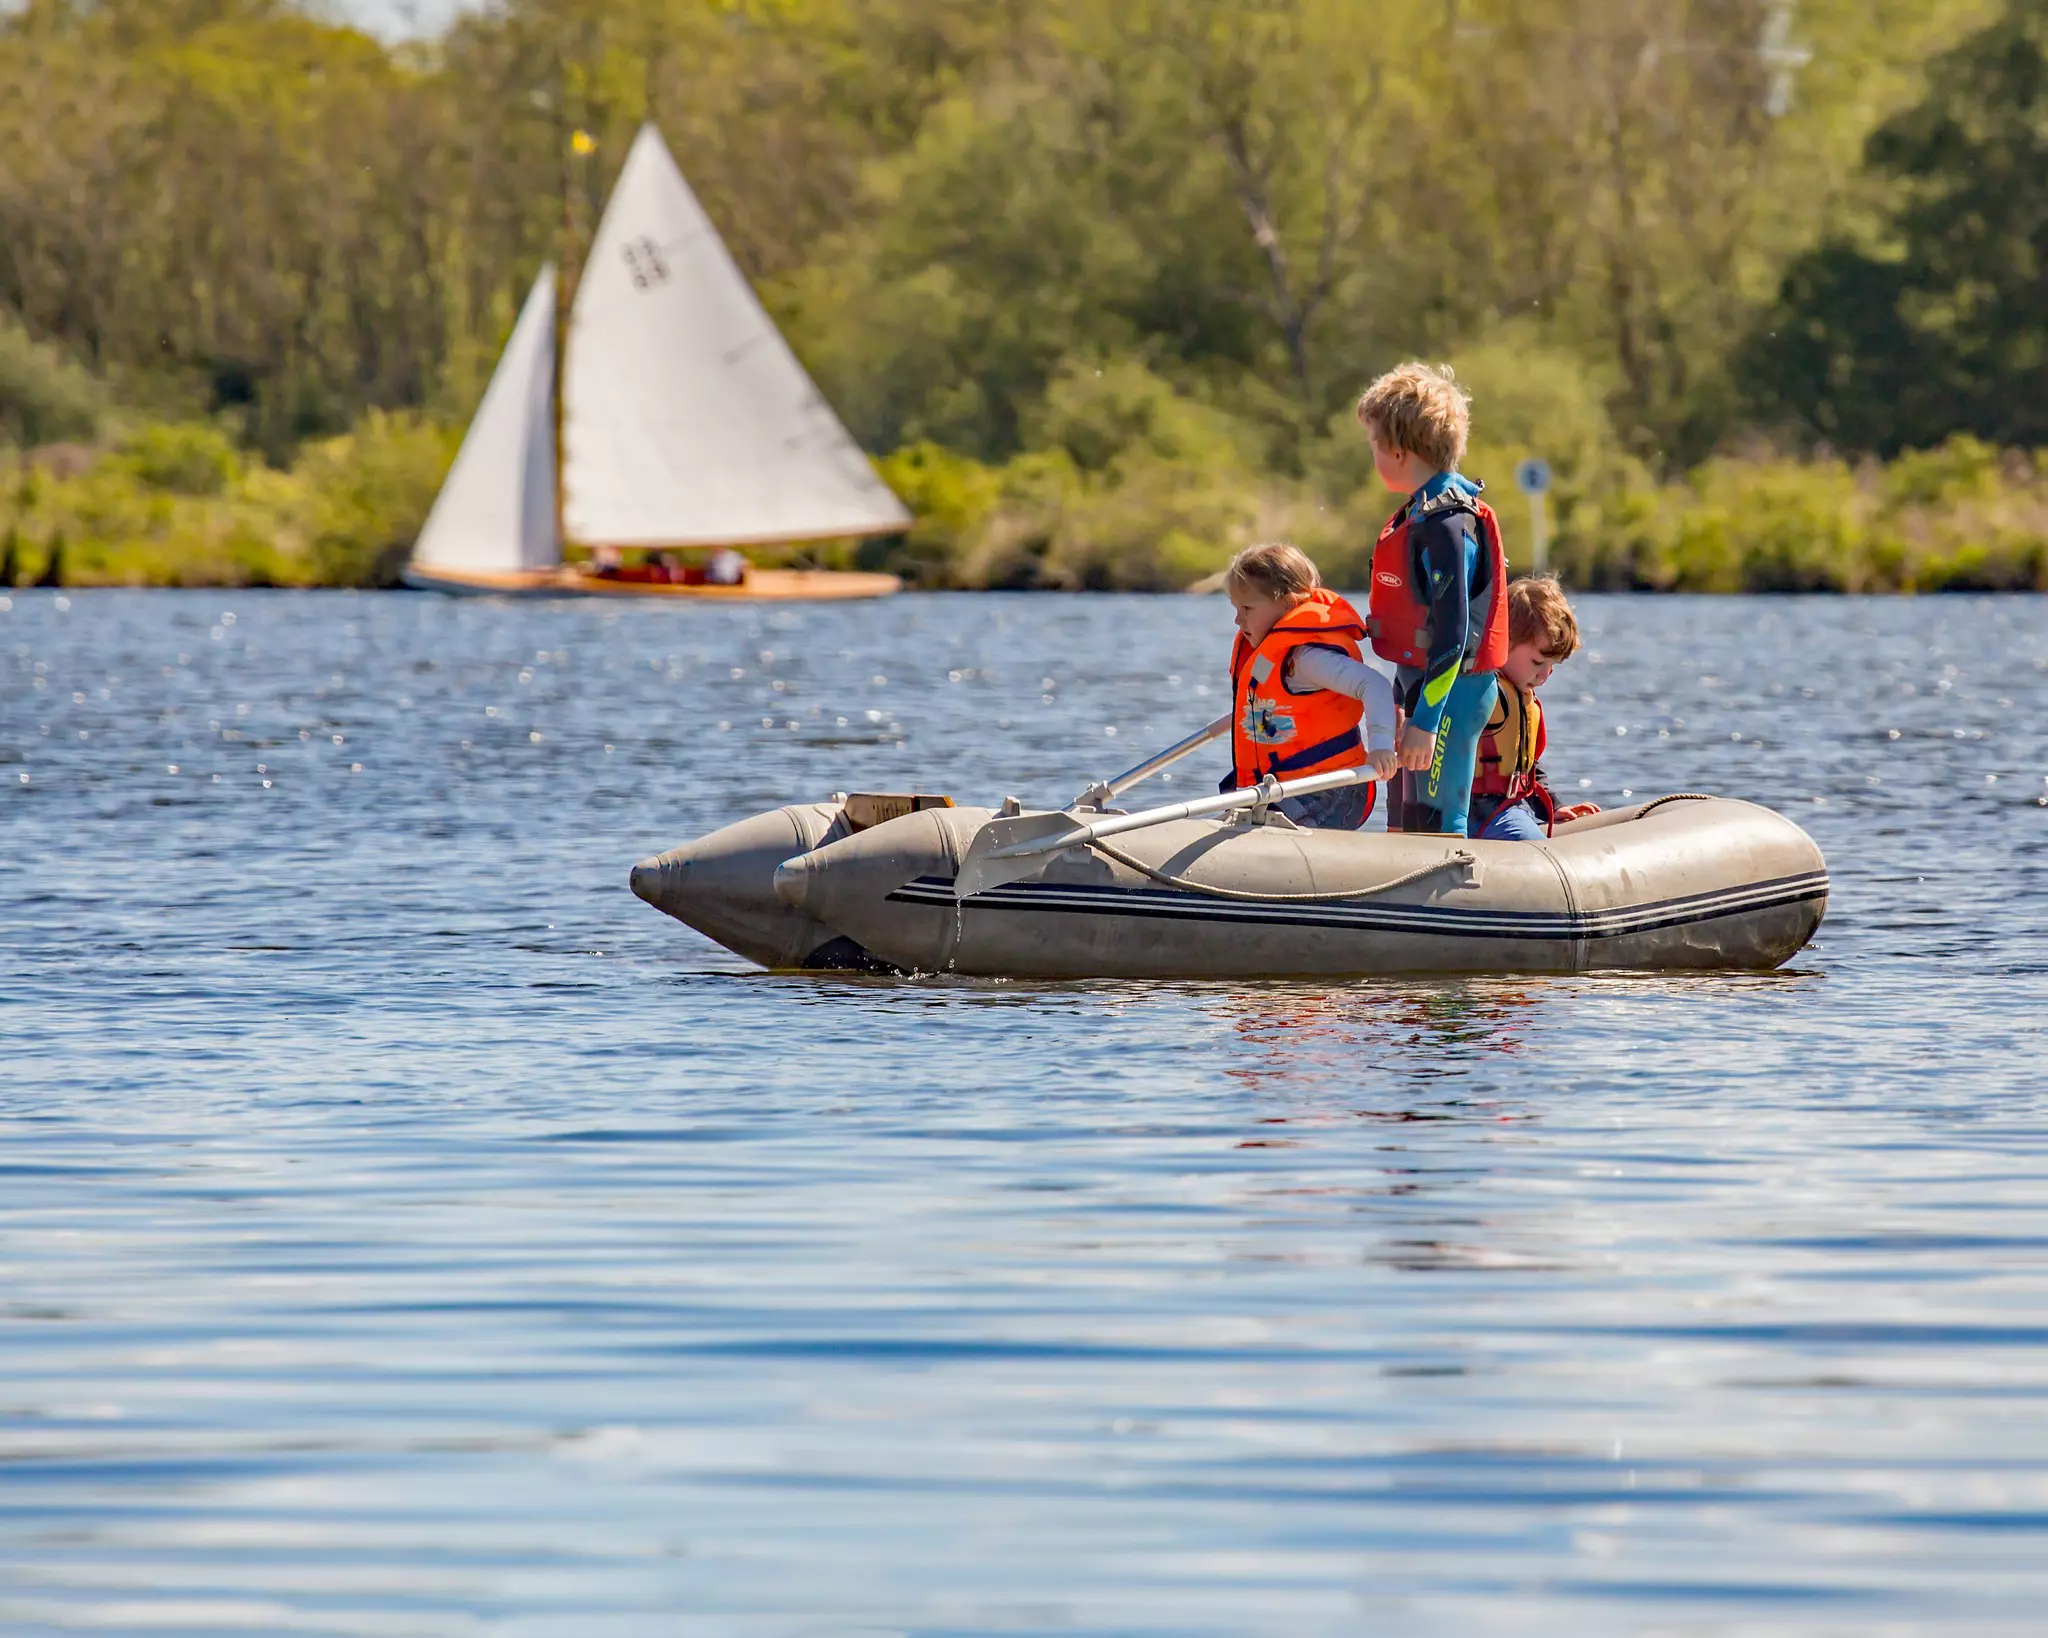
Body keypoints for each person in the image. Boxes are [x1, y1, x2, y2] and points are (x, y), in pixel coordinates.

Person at [1355, 362, 1508, 836]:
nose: (1373, 455)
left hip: (1448, 695)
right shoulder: (1419, 513)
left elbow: (1455, 632)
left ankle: (1452, 891)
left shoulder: (1446, 526)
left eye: (1374, 445)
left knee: (1436, 823)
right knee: (1403, 822)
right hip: (1419, 688)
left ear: (1398, 451)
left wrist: (1425, 720)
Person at [1223, 541, 1399, 831]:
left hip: (1333, 791)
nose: (1237, 619)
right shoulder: (1274, 654)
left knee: (1253, 825)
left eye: (1247, 608)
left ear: (1290, 603)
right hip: (1288, 788)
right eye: (1235, 607)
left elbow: (1375, 685)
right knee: (1239, 815)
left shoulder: (1307, 658)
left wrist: (1380, 747)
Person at [1469, 576, 1601, 840]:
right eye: (1538, 661)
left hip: (1514, 808)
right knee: (1538, 851)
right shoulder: (1479, 692)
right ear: (1503, 642)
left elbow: (1528, 768)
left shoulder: (1522, 696)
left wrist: (1555, 805)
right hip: (1480, 814)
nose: (1545, 674)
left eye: (1552, 665)